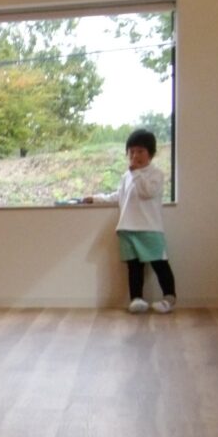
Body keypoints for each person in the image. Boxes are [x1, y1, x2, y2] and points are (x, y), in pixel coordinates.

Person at [84, 128, 177, 314]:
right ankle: (136, 299)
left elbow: (147, 192)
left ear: (151, 153)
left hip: (150, 228)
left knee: (159, 264)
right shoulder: (126, 176)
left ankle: (169, 298)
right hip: (127, 228)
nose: (135, 156)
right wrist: (95, 198)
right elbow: (118, 196)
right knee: (134, 267)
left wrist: (136, 173)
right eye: (132, 151)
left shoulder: (156, 174)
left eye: (140, 151)